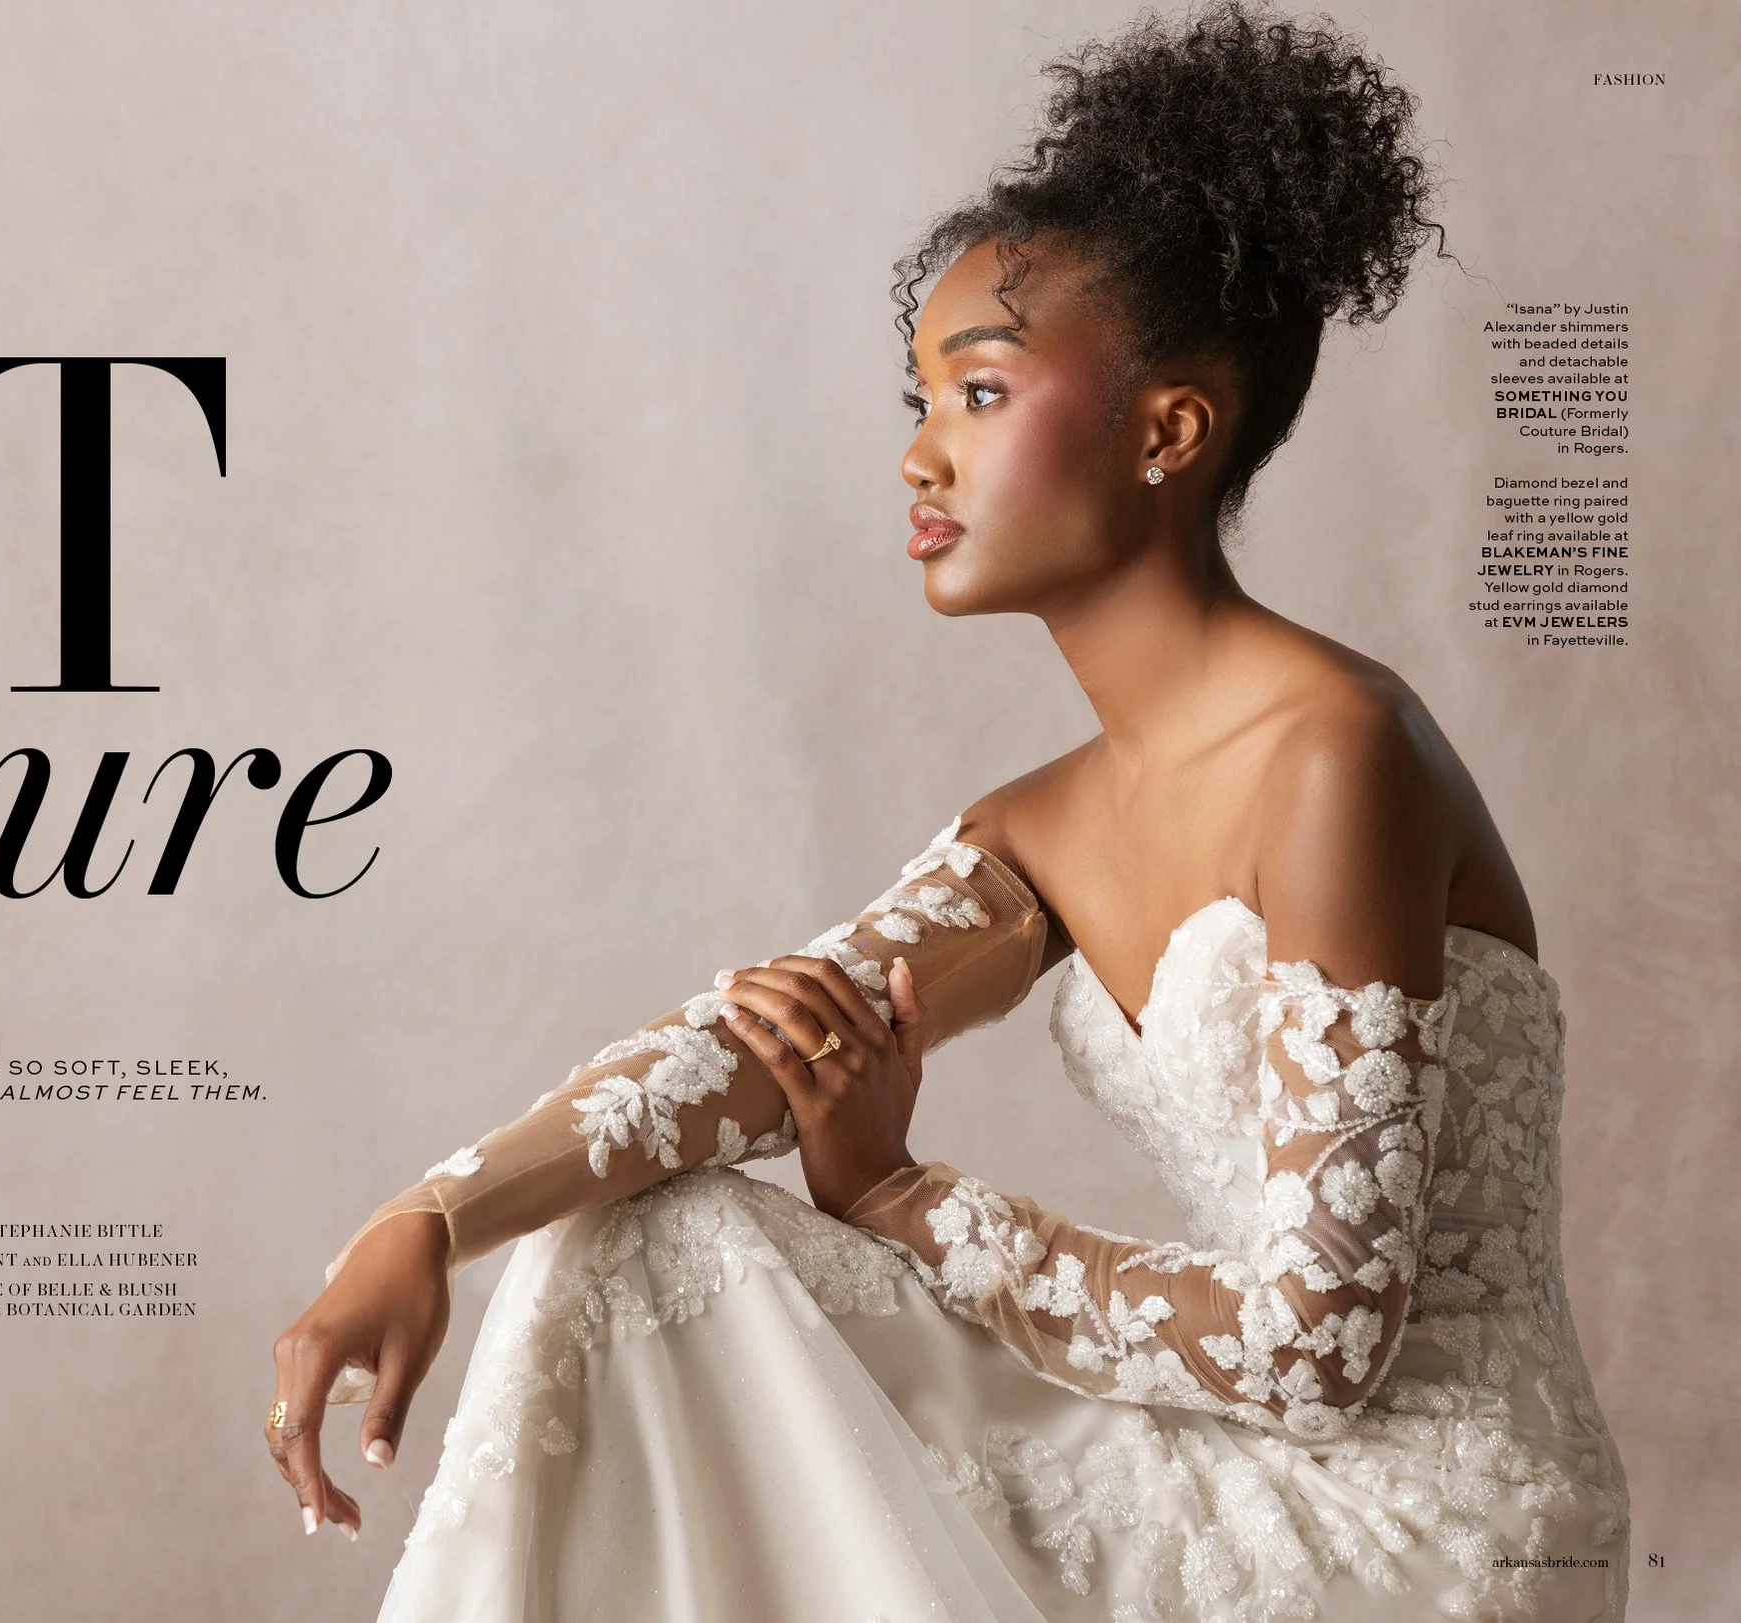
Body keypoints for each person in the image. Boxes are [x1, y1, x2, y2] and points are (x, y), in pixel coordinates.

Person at [265, 4, 1631, 1617]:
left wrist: (903, 1202)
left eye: (977, 393)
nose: (920, 458)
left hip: (1432, 1515)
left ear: (1168, 431)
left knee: (652, 1257)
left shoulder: (1341, 751)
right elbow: (754, 1049)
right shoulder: (1039, 824)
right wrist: (430, 1217)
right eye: (919, 400)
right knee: (620, 1233)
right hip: (1239, 1450)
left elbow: (1319, 1347)